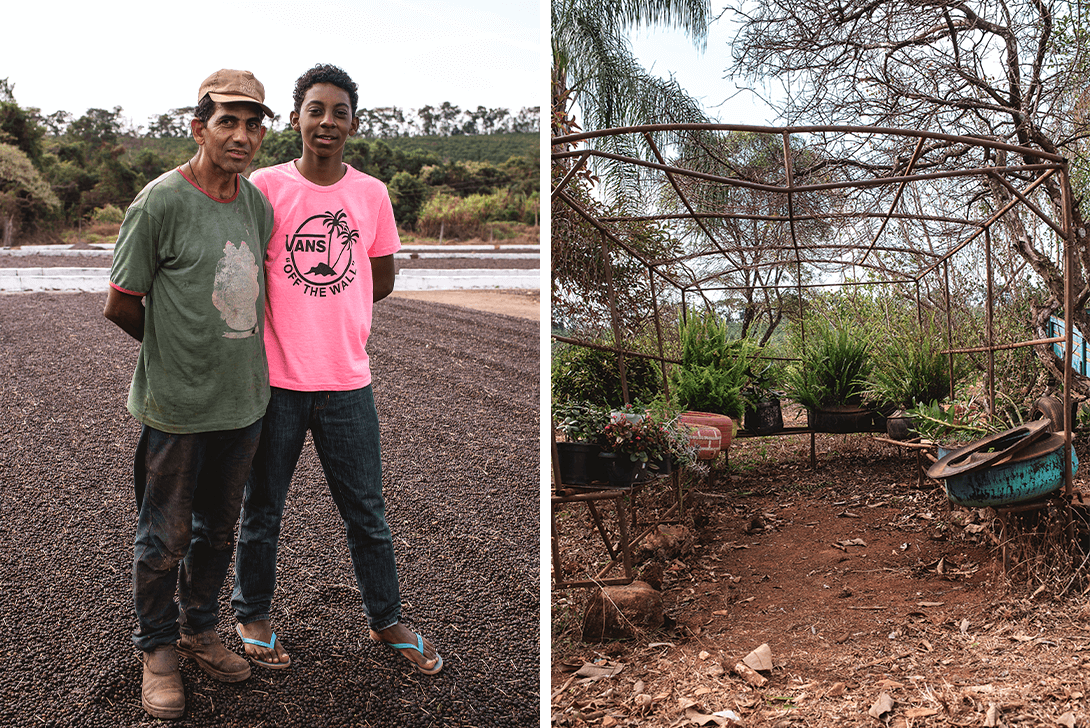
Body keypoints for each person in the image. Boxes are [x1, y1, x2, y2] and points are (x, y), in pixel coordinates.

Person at [231, 63, 442, 675]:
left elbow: (379, 279)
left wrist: (329, 307)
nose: (327, 122)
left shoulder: (370, 194)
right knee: (262, 508)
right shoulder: (265, 187)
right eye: (316, 109)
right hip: (276, 384)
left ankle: (387, 619)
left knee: (367, 512)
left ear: (352, 124)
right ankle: (252, 614)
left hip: (348, 382)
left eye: (340, 112)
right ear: (296, 117)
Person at [104, 69, 275, 720]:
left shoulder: (255, 204)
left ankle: (199, 629)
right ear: (198, 126)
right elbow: (121, 303)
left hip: (242, 407)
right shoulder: (159, 203)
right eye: (227, 121)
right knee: (163, 536)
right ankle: (157, 650)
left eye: (253, 123)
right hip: (175, 410)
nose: (242, 135)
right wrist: (171, 349)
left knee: (217, 533)